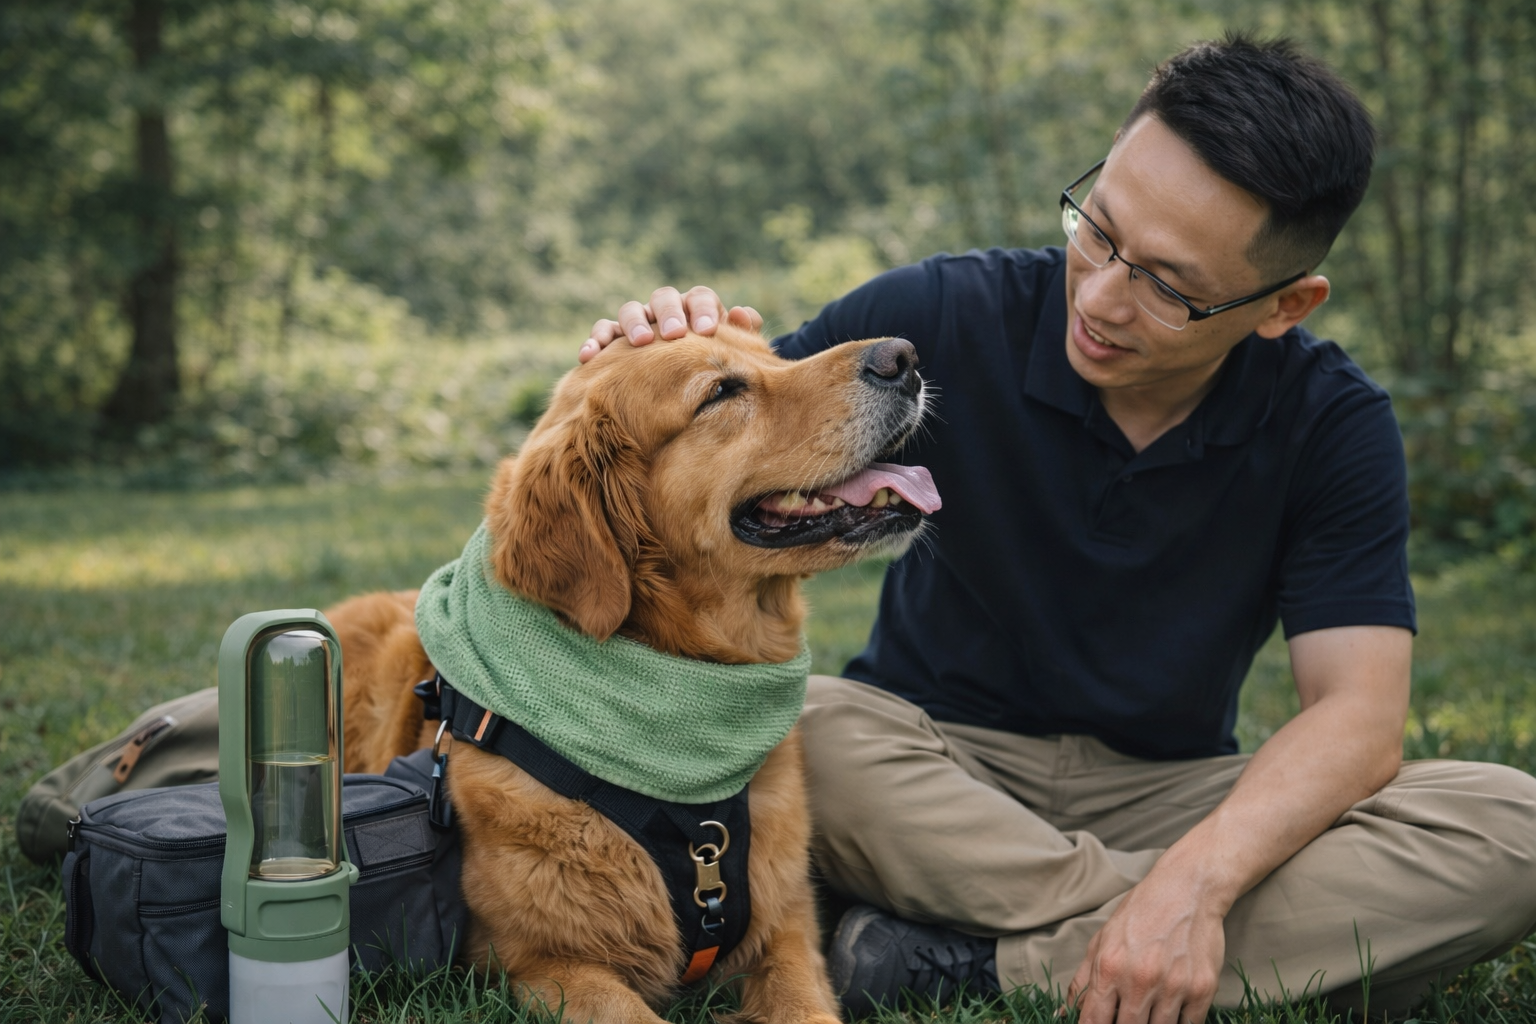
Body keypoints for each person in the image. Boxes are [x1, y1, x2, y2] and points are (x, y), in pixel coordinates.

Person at [581, 34, 1536, 1024]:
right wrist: (648, 352)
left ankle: (968, 961)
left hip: (1172, 792)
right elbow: (714, 435)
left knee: (1512, 827)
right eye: (1099, 227)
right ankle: (1191, 945)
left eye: (1168, 286)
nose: (1102, 296)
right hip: (921, 763)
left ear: (1284, 306)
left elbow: (1358, 717)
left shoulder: (1334, 422)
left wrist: (1202, 876)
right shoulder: (939, 311)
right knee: (805, 725)